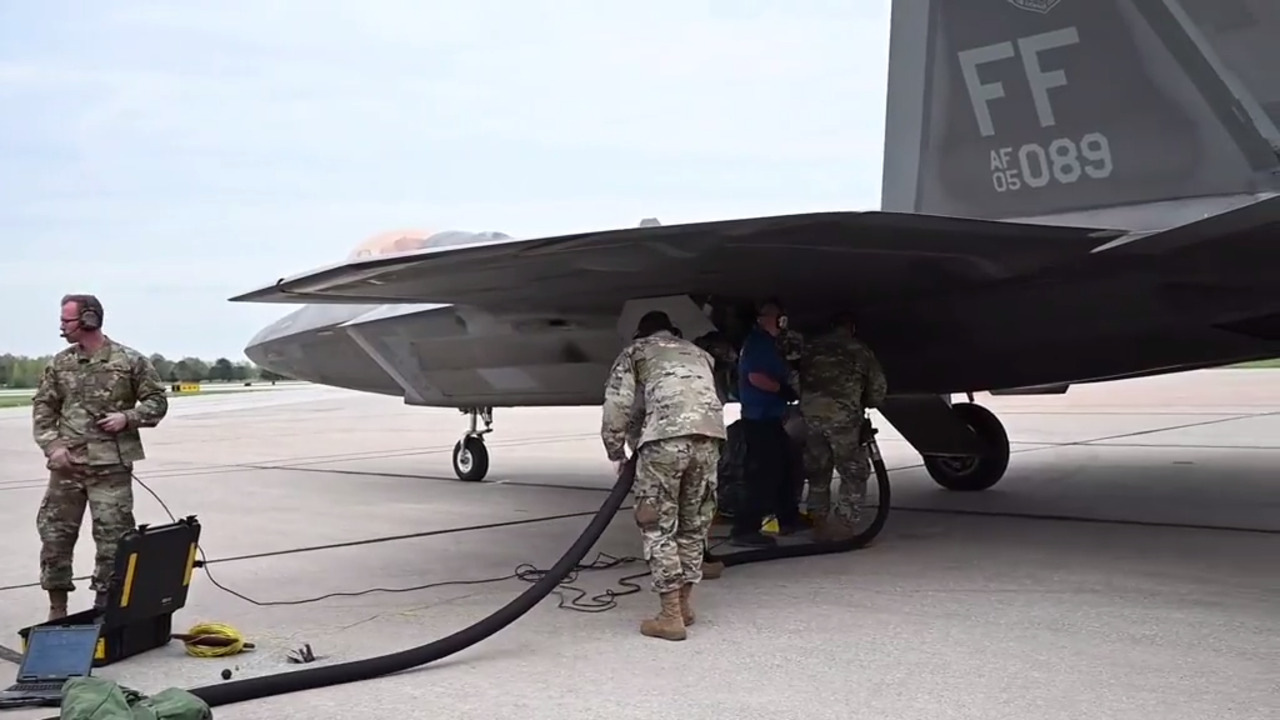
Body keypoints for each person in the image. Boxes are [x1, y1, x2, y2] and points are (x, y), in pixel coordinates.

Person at [31, 294, 169, 620]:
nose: (61, 326)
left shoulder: (129, 361)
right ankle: (57, 609)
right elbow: (44, 409)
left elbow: (157, 402)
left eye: (67, 320)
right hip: (67, 468)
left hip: (110, 469)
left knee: (114, 541)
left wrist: (128, 418)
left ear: (89, 320)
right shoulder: (60, 364)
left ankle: (106, 609)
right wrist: (53, 447)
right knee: (55, 537)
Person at [600, 310, 726, 641]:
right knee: (693, 525)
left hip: (665, 443)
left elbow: (618, 405)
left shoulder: (636, 351)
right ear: (674, 332)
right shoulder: (700, 354)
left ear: (641, 334)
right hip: (709, 439)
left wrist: (616, 452)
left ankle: (670, 615)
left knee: (657, 525)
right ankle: (684, 606)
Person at [794, 311, 887, 541]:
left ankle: (818, 520)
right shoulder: (858, 349)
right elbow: (877, 387)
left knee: (818, 471)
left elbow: (796, 378)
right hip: (843, 420)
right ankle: (844, 523)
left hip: (812, 417)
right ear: (851, 328)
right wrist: (864, 403)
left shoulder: (812, 347)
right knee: (853, 471)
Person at [731, 300, 808, 547]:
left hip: (771, 417)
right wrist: (781, 390)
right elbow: (756, 376)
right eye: (778, 317)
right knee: (763, 473)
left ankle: (788, 517)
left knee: (786, 465)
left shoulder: (769, 343)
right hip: (759, 418)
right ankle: (745, 528)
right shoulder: (758, 344)